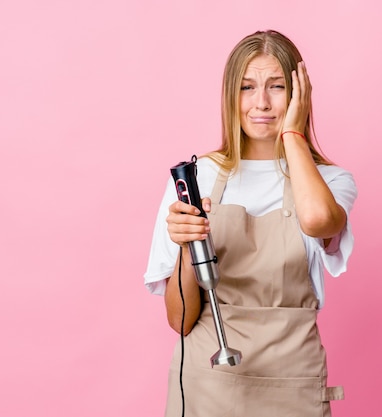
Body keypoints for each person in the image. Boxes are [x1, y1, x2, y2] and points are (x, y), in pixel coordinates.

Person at [144, 29, 357, 416]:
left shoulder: (329, 182)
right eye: (246, 87)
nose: (261, 102)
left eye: (276, 86)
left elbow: (317, 220)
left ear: (299, 95)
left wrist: (292, 133)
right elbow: (179, 320)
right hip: (210, 382)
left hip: (292, 382)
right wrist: (187, 246)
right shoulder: (198, 179)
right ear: (230, 95)